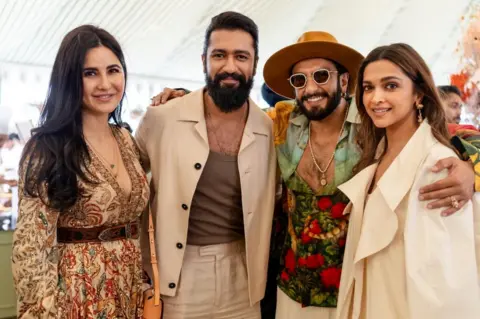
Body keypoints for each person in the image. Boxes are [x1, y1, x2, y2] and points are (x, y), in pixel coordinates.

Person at [151, 31, 478, 319]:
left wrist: (470, 170)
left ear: (344, 81)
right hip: (292, 288)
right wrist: (185, 96)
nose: (311, 88)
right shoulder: (278, 124)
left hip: (357, 284)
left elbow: (438, 136)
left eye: (322, 75)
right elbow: (231, 113)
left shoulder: (372, 123)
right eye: (299, 80)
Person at [136, 12, 276, 318]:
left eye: (241, 56)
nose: (230, 66)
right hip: (179, 275)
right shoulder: (163, 118)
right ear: (204, 61)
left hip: (245, 274)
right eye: (219, 55)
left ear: (254, 62)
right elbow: (128, 186)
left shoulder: (267, 128)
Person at [11, 25, 150, 318]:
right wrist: (46, 308)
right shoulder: (46, 148)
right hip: (76, 295)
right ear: (69, 80)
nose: (105, 84)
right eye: (90, 73)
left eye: (113, 70)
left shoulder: (125, 138)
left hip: (131, 288)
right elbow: (30, 248)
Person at [336, 43, 480, 319]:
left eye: (390, 86)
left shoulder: (436, 165)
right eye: (368, 88)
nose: (375, 98)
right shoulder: (377, 156)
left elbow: (445, 284)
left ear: (419, 94)